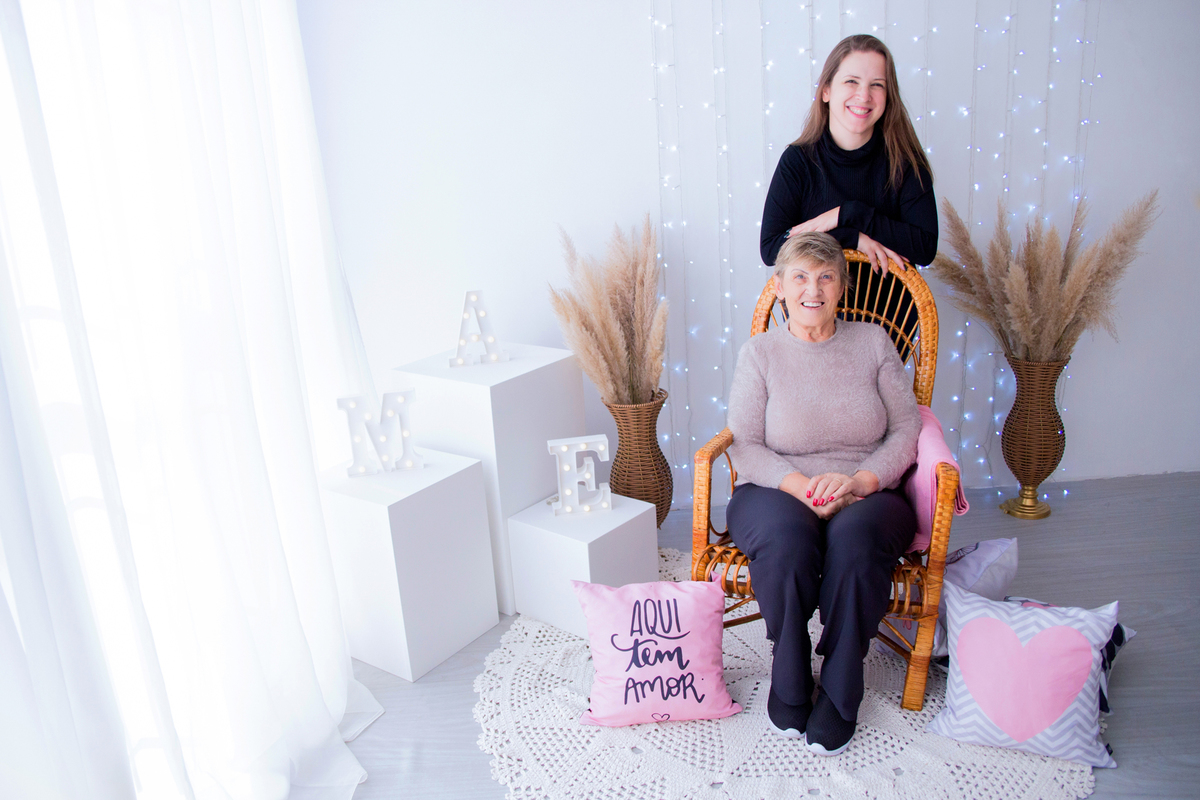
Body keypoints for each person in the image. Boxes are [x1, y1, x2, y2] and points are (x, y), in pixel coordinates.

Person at [725, 231, 921, 755]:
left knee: (857, 544)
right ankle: (788, 665)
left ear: (841, 286)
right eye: (801, 277)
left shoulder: (874, 342)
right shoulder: (760, 353)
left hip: (867, 487)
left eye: (826, 276)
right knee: (786, 543)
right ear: (780, 286)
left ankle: (840, 680)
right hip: (778, 486)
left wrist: (860, 483)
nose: (813, 289)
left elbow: (906, 430)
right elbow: (743, 443)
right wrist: (801, 487)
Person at [760, 34, 937, 275]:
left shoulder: (905, 162)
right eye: (852, 81)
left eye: (877, 84)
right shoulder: (798, 161)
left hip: (891, 312)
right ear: (826, 91)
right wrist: (852, 238)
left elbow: (925, 249)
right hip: (816, 309)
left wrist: (850, 214)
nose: (864, 96)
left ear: (888, 97)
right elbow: (771, 249)